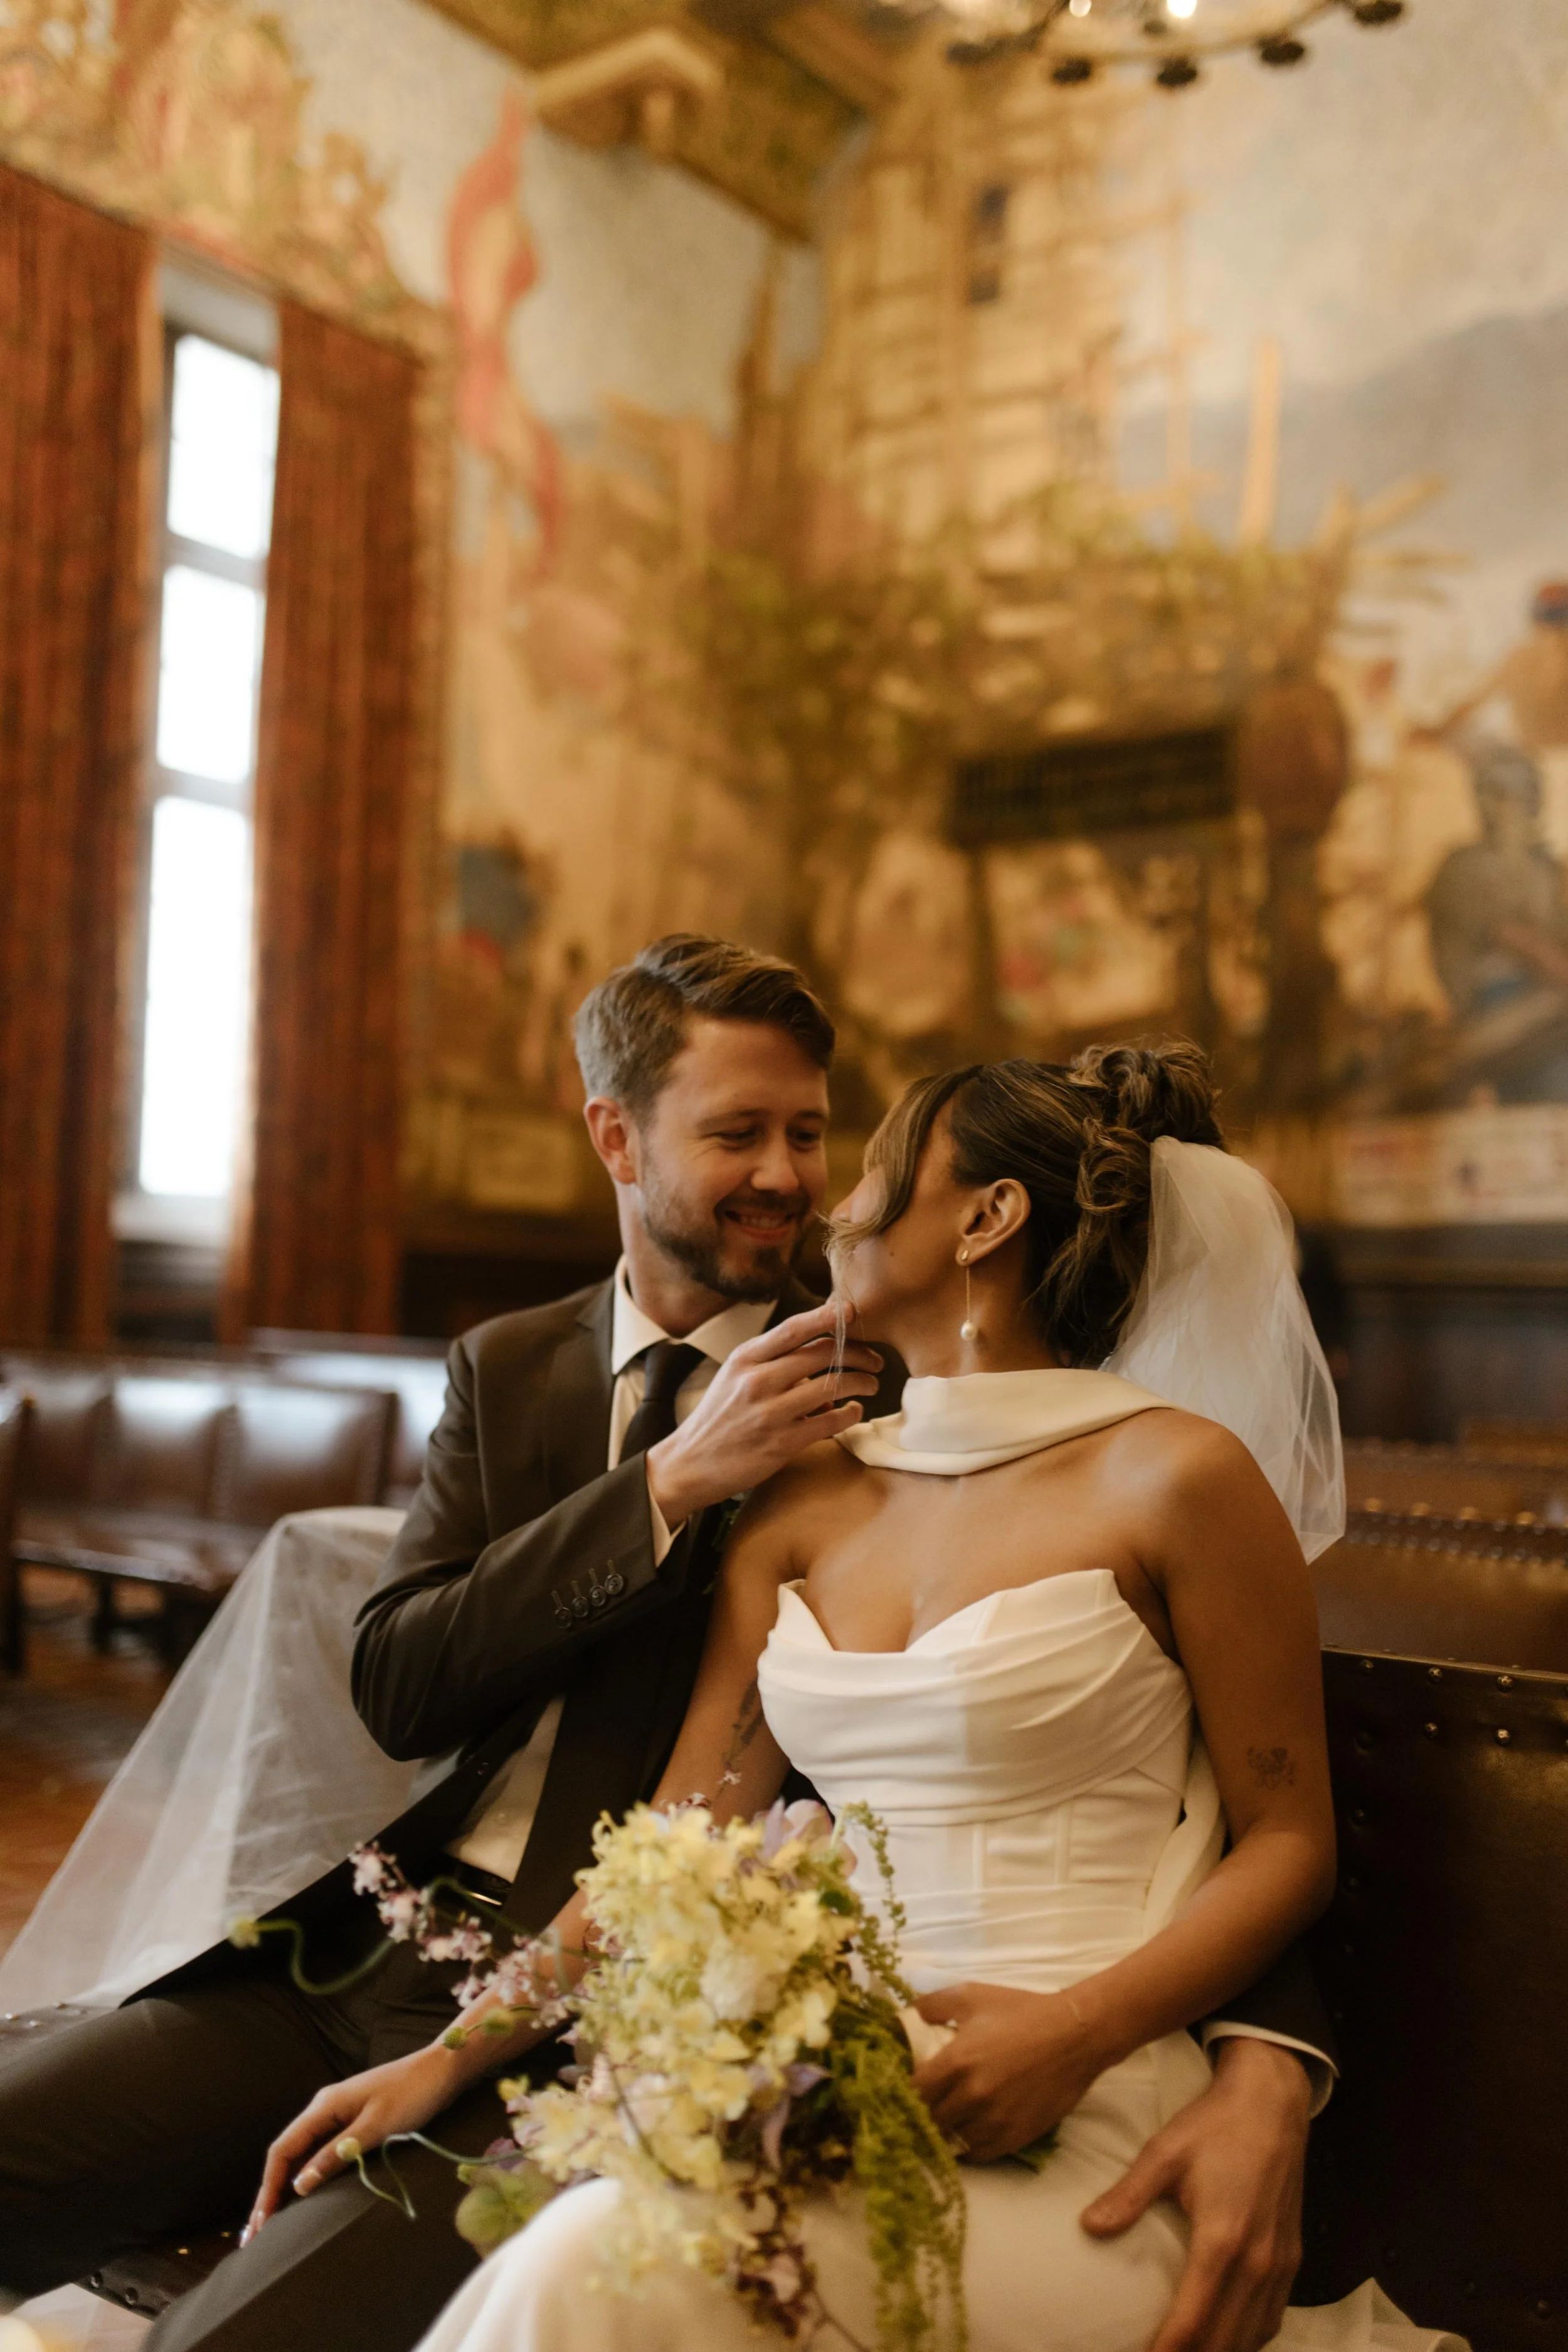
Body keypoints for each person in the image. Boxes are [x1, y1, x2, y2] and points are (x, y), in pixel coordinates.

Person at [0, 946, 1325, 2352]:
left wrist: (1269, 2066)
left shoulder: (913, 1393)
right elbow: (402, 1685)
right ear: (614, 1136)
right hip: (397, 1954)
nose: (801, 1183)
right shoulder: (519, 1370)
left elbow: (1219, 1788)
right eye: (737, 1134)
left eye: (815, 1137)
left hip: (667, 2023)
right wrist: (666, 1486)